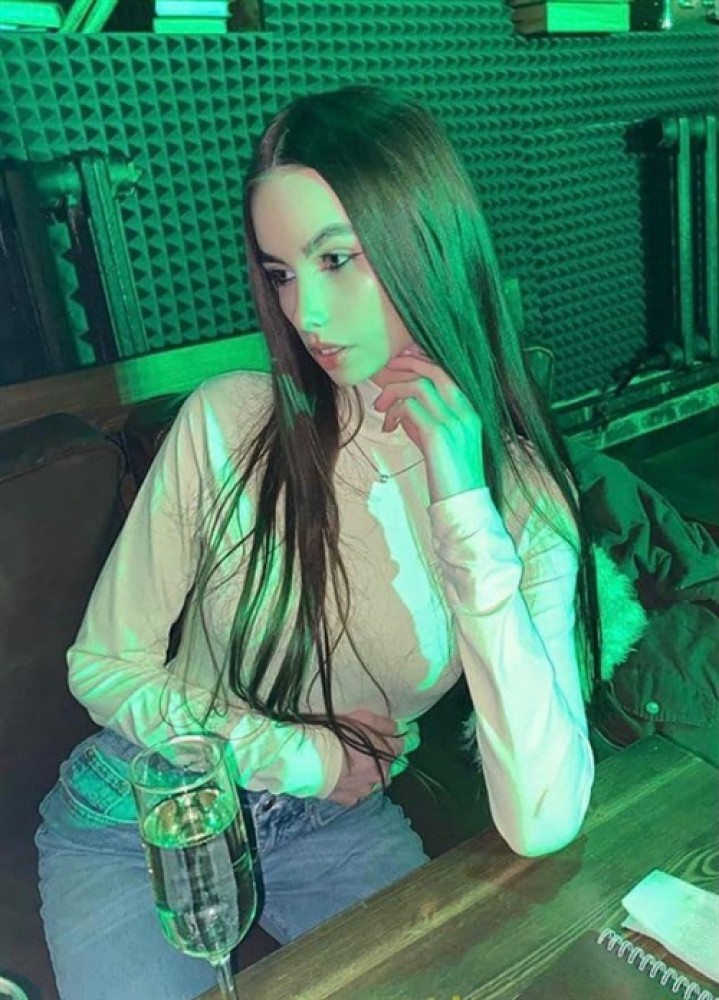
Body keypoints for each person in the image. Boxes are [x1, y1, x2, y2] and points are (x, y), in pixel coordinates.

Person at [36, 84, 601, 1000]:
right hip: (149, 810)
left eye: (337, 259)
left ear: (425, 244)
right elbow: (101, 665)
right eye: (282, 273)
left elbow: (542, 818)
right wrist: (303, 758)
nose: (307, 314)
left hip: (332, 828)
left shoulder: (522, 501)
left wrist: (463, 505)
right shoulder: (229, 422)